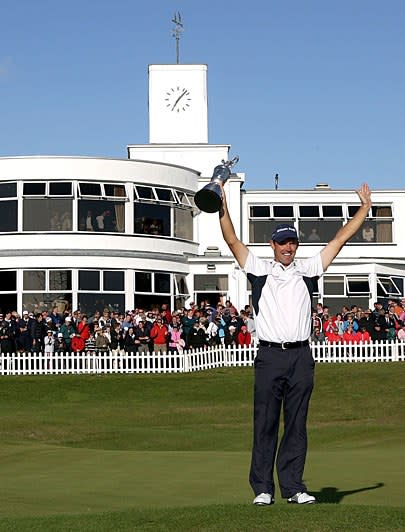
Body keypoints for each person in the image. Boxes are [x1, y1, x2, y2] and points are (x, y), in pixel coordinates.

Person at [218, 181, 372, 506]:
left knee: (297, 424)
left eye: (292, 242)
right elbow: (231, 239)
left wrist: (364, 209)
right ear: (271, 245)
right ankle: (263, 488)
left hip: (301, 356)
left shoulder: (308, 269)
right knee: (266, 423)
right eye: (282, 242)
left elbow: (340, 239)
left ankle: (293, 487)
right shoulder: (260, 269)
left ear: (297, 245)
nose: (287, 248)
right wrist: (222, 204)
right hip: (270, 356)